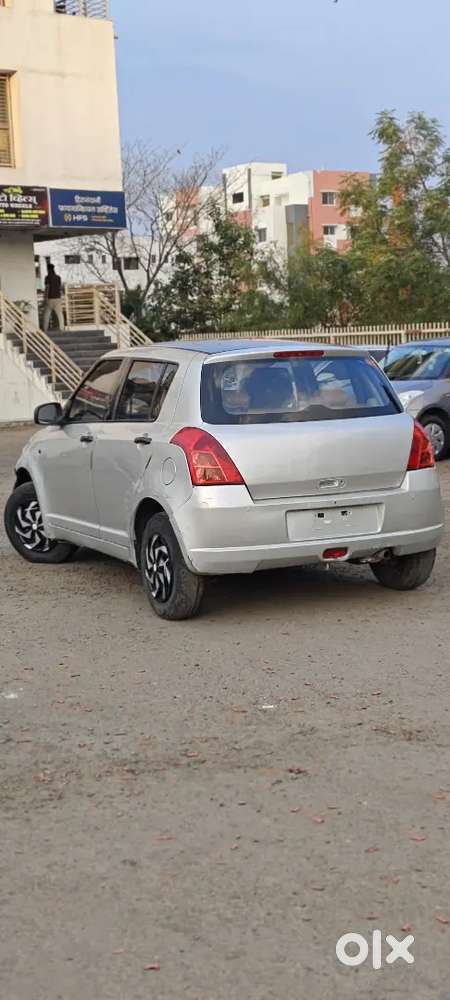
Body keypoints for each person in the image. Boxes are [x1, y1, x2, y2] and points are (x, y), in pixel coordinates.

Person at [43, 264, 65, 332]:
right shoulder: (58, 277)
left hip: (50, 298)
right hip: (58, 298)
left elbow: (47, 288)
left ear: (48, 269)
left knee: (47, 314)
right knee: (60, 314)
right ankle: (62, 328)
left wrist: (45, 298)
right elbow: (60, 287)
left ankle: (45, 329)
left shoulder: (47, 277)